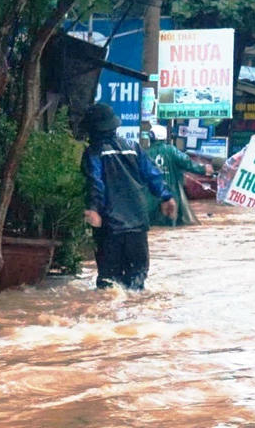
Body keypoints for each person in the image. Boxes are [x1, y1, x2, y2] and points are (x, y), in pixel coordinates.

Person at [80, 103, 175, 291]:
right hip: (138, 226)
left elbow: (96, 182)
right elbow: (152, 174)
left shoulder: (94, 153)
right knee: (136, 283)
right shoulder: (133, 147)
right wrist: (166, 197)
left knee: (109, 285)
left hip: (110, 228)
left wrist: (94, 209)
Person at [143, 123, 211, 227]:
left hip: (150, 198)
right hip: (171, 196)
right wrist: (203, 169)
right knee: (171, 226)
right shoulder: (171, 150)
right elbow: (187, 162)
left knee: (153, 227)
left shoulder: (144, 154)